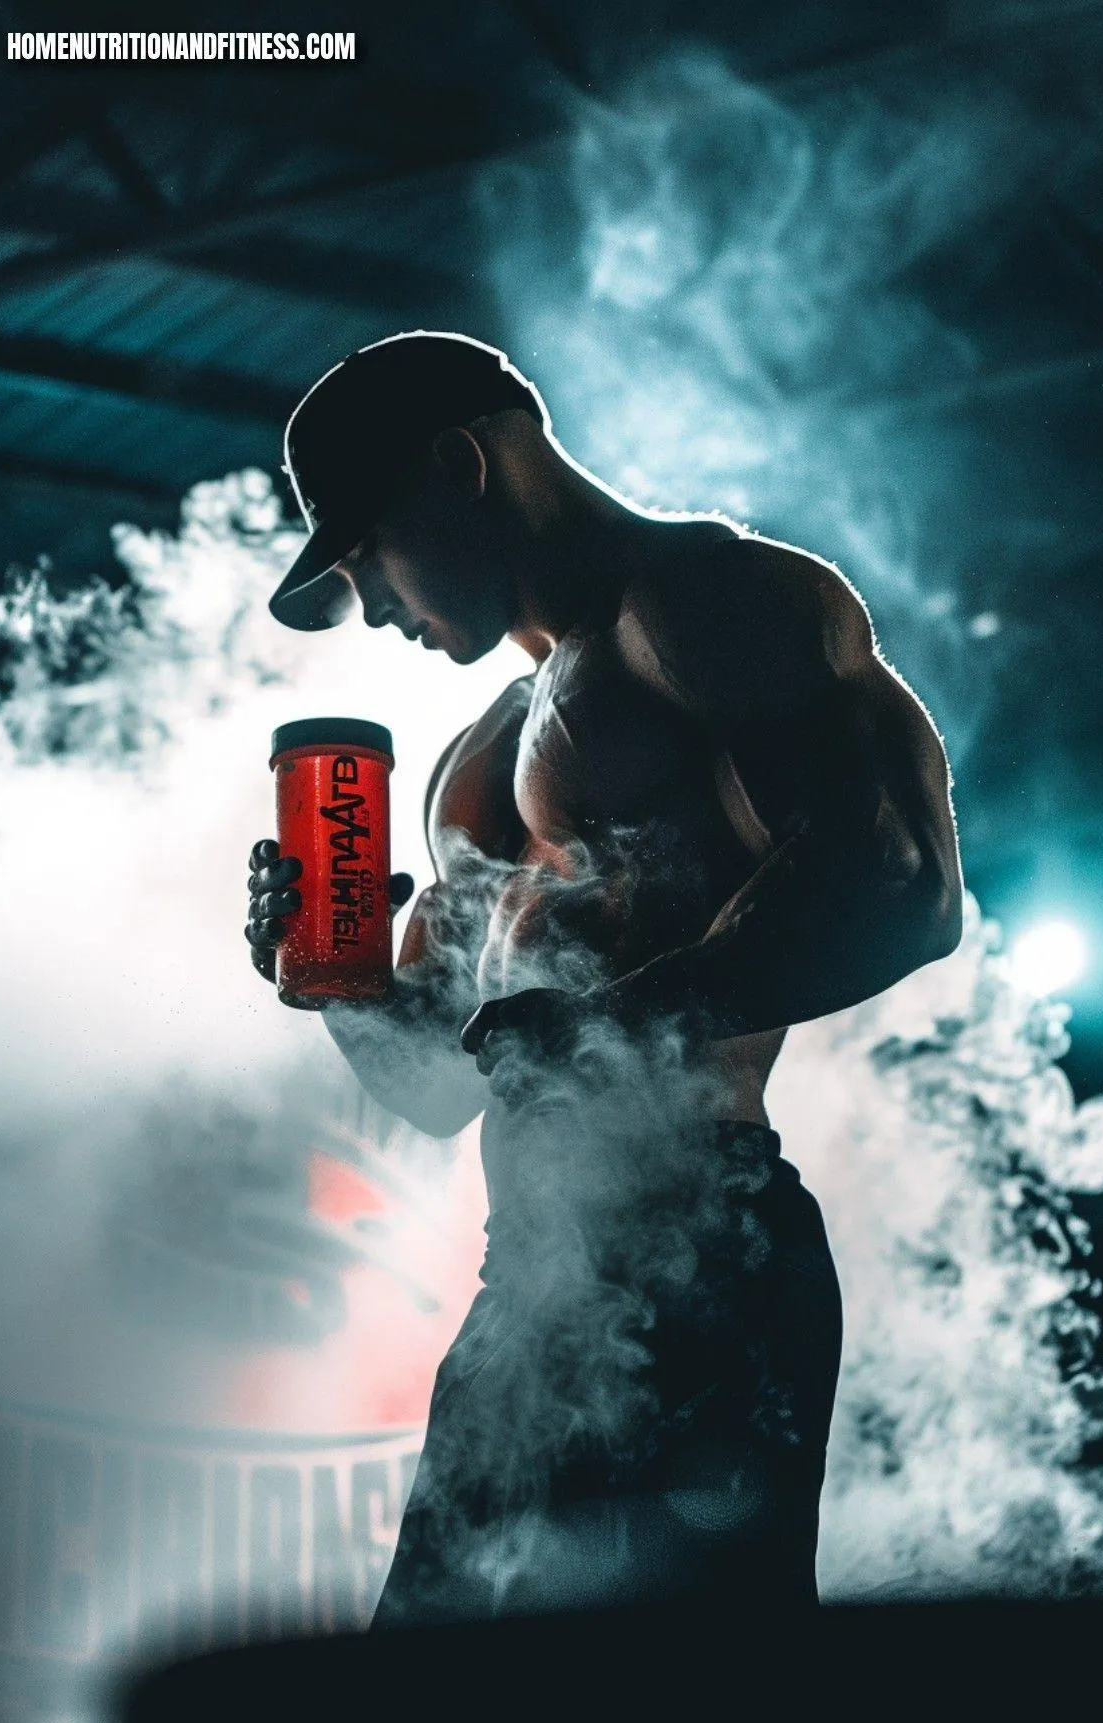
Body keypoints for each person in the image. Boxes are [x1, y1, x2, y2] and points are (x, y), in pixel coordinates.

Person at [245, 331, 964, 1624]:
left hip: (701, 1257)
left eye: (366, 560)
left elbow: (901, 888)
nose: (370, 606)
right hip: (528, 1280)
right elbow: (432, 1084)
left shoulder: (718, 608)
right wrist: (328, 974)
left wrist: (615, 1026)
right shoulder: (483, 753)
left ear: (461, 468)